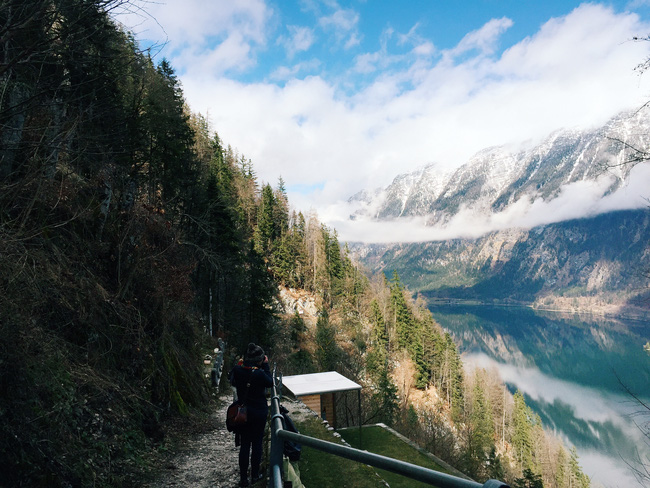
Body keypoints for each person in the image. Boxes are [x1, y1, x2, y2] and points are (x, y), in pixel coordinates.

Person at [229, 343, 274, 487]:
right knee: (257, 445)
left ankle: (243, 478)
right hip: (259, 413)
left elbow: (232, 379)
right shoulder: (260, 373)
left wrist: (242, 364)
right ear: (259, 360)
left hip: (243, 413)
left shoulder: (237, 369)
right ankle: (255, 476)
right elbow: (270, 382)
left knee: (244, 446)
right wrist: (266, 365)